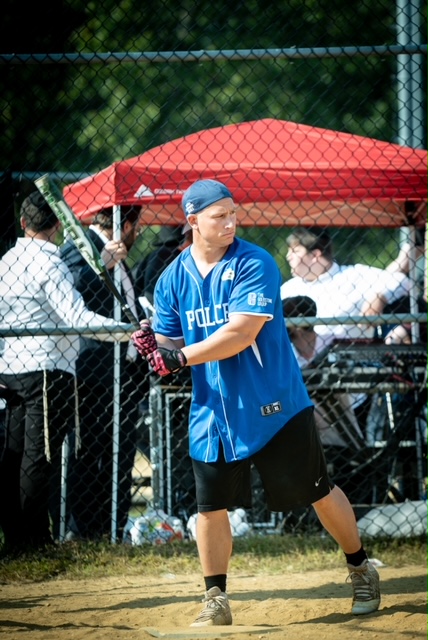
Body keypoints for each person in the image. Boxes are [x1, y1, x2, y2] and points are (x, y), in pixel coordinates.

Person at [131, 179, 381, 627]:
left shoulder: (254, 262)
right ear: (192, 221)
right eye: (219, 216)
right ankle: (215, 598)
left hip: (274, 403)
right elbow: (171, 344)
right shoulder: (172, 278)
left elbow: (241, 333)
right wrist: (155, 346)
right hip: (214, 408)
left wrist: (179, 356)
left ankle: (360, 568)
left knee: (318, 492)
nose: (231, 222)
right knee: (209, 507)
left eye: (233, 212)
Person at [0, 192, 128, 555]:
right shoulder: (50, 263)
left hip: (11, 368)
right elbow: (75, 317)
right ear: (57, 225)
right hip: (47, 369)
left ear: (23, 222)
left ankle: (17, 538)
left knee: (13, 456)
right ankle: (33, 541)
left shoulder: (7, 260)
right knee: (39, 458)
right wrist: (126, 330)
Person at [60, 206, 148, 541]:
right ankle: (83, 529)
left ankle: (111, 527)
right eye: (137, 225)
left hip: (124, 371)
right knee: (88, 452)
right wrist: (101, 262)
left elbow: (123, 300)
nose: (139, 232)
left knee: (119, 453)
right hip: (93, 370)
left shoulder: (117, 253)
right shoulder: (80, 246)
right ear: (124, 224)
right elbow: (69, 291)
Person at [282, 296, 370, 507]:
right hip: (303, 428)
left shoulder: (331, 343)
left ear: (297, 323)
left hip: (339, 428)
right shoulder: (285, 351)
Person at [280, 227, 412, 342]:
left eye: (295, 251)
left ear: (315, 255)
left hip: (352, 358)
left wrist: (380, 297)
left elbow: (400, 280)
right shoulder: (288, 289)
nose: (288, 256)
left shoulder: (352, 275)